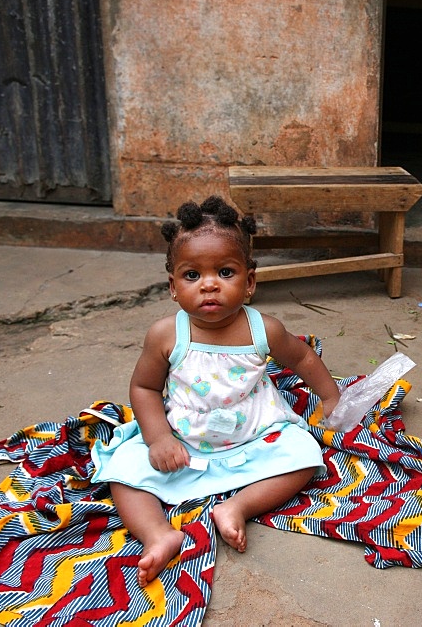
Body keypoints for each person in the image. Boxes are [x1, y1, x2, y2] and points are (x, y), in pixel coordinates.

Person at [91, 195, 340, 587]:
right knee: (121, 471)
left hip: (255, 433)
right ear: (173, 287)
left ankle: (236, 507)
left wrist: (331, 397)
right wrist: (158, 439)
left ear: (250, 281)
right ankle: (158, 534)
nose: (209, 285)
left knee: (306, 456)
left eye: (225, 272)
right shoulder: (166, 334)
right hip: (185, 440)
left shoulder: (264, 330)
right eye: (192, 276)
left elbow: (303, 359)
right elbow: (144, 387)